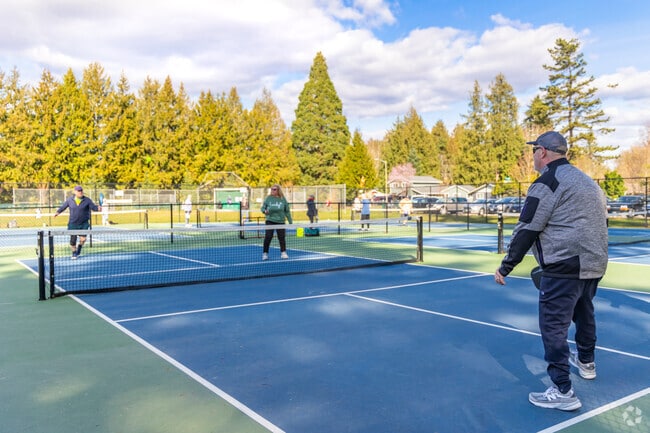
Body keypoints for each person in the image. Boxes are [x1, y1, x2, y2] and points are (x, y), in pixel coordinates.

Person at [494, 131, 608, 412]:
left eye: (534, 151)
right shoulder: (586, 180)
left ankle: (562, 390)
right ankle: (586, 362)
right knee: (584, 312)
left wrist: (506, 266)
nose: (532, 156)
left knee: (553, 326)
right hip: (594, 262)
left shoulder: (547, 182)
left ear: (542, 152)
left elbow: (527, 229)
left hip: (565, 264)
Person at [54, 185, 101, 259]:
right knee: (73, 240)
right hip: (73, 223)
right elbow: (63, 207)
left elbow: (94, 207)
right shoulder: (70, 200)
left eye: (81, 190)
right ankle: (74, 253)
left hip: (84, 224)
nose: (80, 192)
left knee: (83, 239)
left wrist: (98, 208)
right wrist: (57, 212)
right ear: (75, 192)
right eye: (79, 191)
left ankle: (79, 247)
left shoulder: (87, 200)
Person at [261, 184, 293, 260]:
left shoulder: (283, 199)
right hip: (270, 220)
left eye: (274, 189)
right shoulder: (268, 198)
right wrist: (264, 211)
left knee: (281, 237)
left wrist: (290, 221)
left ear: (278, 190)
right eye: (272, 189)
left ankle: (283, 253)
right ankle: (265, 254)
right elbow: (263, 208)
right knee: (268, 237)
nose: (272, 191)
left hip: (281, 221)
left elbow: (287, 211)